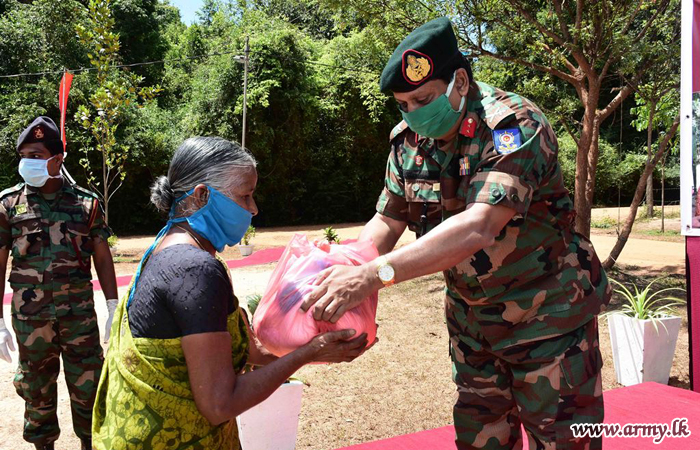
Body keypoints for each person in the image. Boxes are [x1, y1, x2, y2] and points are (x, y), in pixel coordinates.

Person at [302, 17, 611, 450]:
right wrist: (341, 265)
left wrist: (374, 275)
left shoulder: (511, 125)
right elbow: (388, 221)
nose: (413, 113)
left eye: (422, 99)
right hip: (474, 330)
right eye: (403, 104)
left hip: (549, 321)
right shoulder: (407, 142)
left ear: (460, 81)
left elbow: (479, 226)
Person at [92, 136, 369, 450]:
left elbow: (247, 351)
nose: (254, 208)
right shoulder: (194, 269)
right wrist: (307, 354)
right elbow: (219, 404)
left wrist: (319, 342)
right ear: (202, 195)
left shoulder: (168, 248)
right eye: (245, 196)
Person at [0, 116, 119, 450]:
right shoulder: (9, 205)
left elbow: (102, 255)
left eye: (36, 155)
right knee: (36, 393)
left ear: (57, 159)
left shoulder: (85, 203)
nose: (28, 162)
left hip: (78, 317)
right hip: (30, 320)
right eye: (24, 155)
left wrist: (113, 306)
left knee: (90, 391)